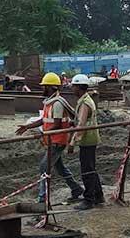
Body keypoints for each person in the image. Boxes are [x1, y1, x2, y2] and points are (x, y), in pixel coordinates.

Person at [15, 72, 83, 205]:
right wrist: (28, 126)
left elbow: (57, 124)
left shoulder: (57, 103)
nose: (42, 88)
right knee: (60, 168)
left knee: (44, 167)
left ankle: (42, 200)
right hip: (53, 140)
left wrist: (43, 133)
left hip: (58, 140)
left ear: (51, 87)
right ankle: (76, 189)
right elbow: (43, 120)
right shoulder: (50, 102)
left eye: (44, 86)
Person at [68, 74, 104, 210]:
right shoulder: (86, 100)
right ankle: (98, 195)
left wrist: (72, 142)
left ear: (79, 87)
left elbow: (82, 124)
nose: (72, 89)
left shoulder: (84, 103)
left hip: (87, 139)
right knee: (91, 168)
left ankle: (89, 199)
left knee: (87, 170)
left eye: (74, 86)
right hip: (90, 138)